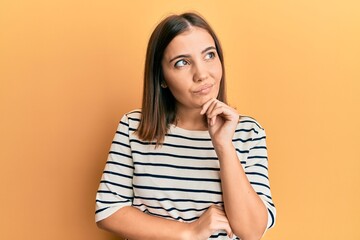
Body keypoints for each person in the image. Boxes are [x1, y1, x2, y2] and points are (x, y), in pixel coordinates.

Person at [95, 12, 276, 240]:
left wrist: (223, 146)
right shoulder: (133, 127)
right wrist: (189, 232)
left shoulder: (248, 132)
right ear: (161, 78)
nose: (201, 74)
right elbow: (108, 210)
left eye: (209, 55)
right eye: (182, 62)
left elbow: (252, 232)